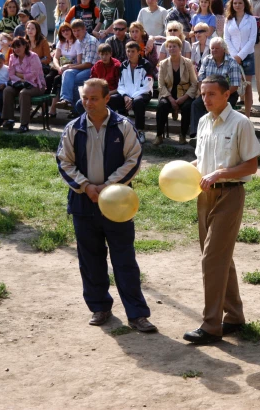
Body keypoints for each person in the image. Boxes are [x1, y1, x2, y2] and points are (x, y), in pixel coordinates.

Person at [56, 78, 156, 333]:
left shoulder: (123, 126)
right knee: (90, 259)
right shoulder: (73, 128)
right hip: (83, 203)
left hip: (118, 205)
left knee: (124, 260)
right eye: (85, 99)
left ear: (106, 98)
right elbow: (64, 162)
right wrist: (86, 186)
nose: (88, 103)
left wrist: (107, 187)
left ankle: (137, 314)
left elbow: (133, 159)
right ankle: (99, 307)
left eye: (94, 98)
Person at [183, 74, 260, 344]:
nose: (205, 99)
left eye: (211, 94)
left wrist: (220, 173)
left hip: (230, 194)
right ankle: (234, 317)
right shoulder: (204, 122)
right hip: (204, 196)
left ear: (226, 95)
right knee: (220, 258)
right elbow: (203, 158)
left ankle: (211, 325)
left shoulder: (240, 123)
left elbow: (251, 166)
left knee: (212, 259)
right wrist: (186, 171)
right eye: (203, 94)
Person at [189, 36, 241, 141]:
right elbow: (200, 79)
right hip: (208, 92)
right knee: (196, 104)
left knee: (221, 108)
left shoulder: (232, 62)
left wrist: (220, 96)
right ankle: (197, 134)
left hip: (227, 93)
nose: (214, 50)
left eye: (217, 48)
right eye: (212, 48)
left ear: (224, 49)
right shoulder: (207, 60)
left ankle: (221, 135)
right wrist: (204, 93)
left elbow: (235, 85)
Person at [156, 36, 197, 145]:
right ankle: (159, 135)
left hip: (184, 94)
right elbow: (161, 85)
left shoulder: (188, 63)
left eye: (174, 46)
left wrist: (184, 98)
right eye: (169, 47)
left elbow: (194, 83)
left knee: (188, 107)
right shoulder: (163, 64)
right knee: (162, 106)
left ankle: (183, 135)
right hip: (168, 94)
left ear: (180, 48)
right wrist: (170, 98)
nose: (172, 49)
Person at [1, 36, 46, 133]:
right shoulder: (12, 57)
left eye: (19, 46)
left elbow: (34, 74)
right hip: (19, 83)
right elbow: (11, 74)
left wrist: (20, 75)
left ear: (25, 46)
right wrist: (21, 80)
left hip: (36, 85)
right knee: (7, 90)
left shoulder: (33, 57)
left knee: (24, 93)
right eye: (14, 47)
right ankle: (9, 120)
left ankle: (24, 124)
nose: (17, 49)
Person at [112, 41, 154, 142]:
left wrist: (132, 98)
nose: (130, 54)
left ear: (138, 52)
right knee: (112, 100)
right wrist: (126, 96)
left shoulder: (146, 65)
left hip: (143, 94)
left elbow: (147, 86)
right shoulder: (123, 65)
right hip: (127, 96)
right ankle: (118, 129)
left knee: (138, 102)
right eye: (128, 51)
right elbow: (120, 85)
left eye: (133, 51)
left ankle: (140, 131)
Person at [55, 19, 100, 114]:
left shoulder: (90, 41)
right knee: (67, 73)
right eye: (74, 31)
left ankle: (77, 110)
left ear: (84, 29)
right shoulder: (79, 41)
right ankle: (66, 100)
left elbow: (88, 64)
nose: (76, 33)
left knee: (75, 79)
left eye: (78, 30)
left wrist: (69, 66)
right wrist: (67, 66)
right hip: (81, 67)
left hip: (93, 69)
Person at [224, 0, 257, 118]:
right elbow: (226, 38)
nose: (237, 5)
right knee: (232, 85)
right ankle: (228, 115)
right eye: (235, 3)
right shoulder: (228, 19)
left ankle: (247, 117)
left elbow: (252, 39)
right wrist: (234, 55)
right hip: (232, 56)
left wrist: (240, 56)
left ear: (245, 5)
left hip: (247, 55)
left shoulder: (251, 19)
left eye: (240, 3)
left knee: (247, 87)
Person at [74, 43, 122, 116]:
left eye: (106, 54)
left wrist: (107, 94)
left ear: (110, 54)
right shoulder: (97, 65)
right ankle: (90, 120)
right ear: (98, 54)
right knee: (79, 104)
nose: (104, 57)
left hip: (112, 93)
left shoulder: (117, 65)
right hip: (97, 94)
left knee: (112, 100)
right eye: (102, 54)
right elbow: (92, 82)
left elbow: (120, 87)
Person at [49, 22, 83, 117]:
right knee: (49, 77)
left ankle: (54, 108)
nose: (65, 32)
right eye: (63, 31)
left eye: (67, 29)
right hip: (60, 67)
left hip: (72, 68)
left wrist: (67, 66)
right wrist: (59, 67)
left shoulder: (77, 43)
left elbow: (79, 62)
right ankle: (48, 105)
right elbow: (55, 58)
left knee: (57, 80)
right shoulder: (61, 42)